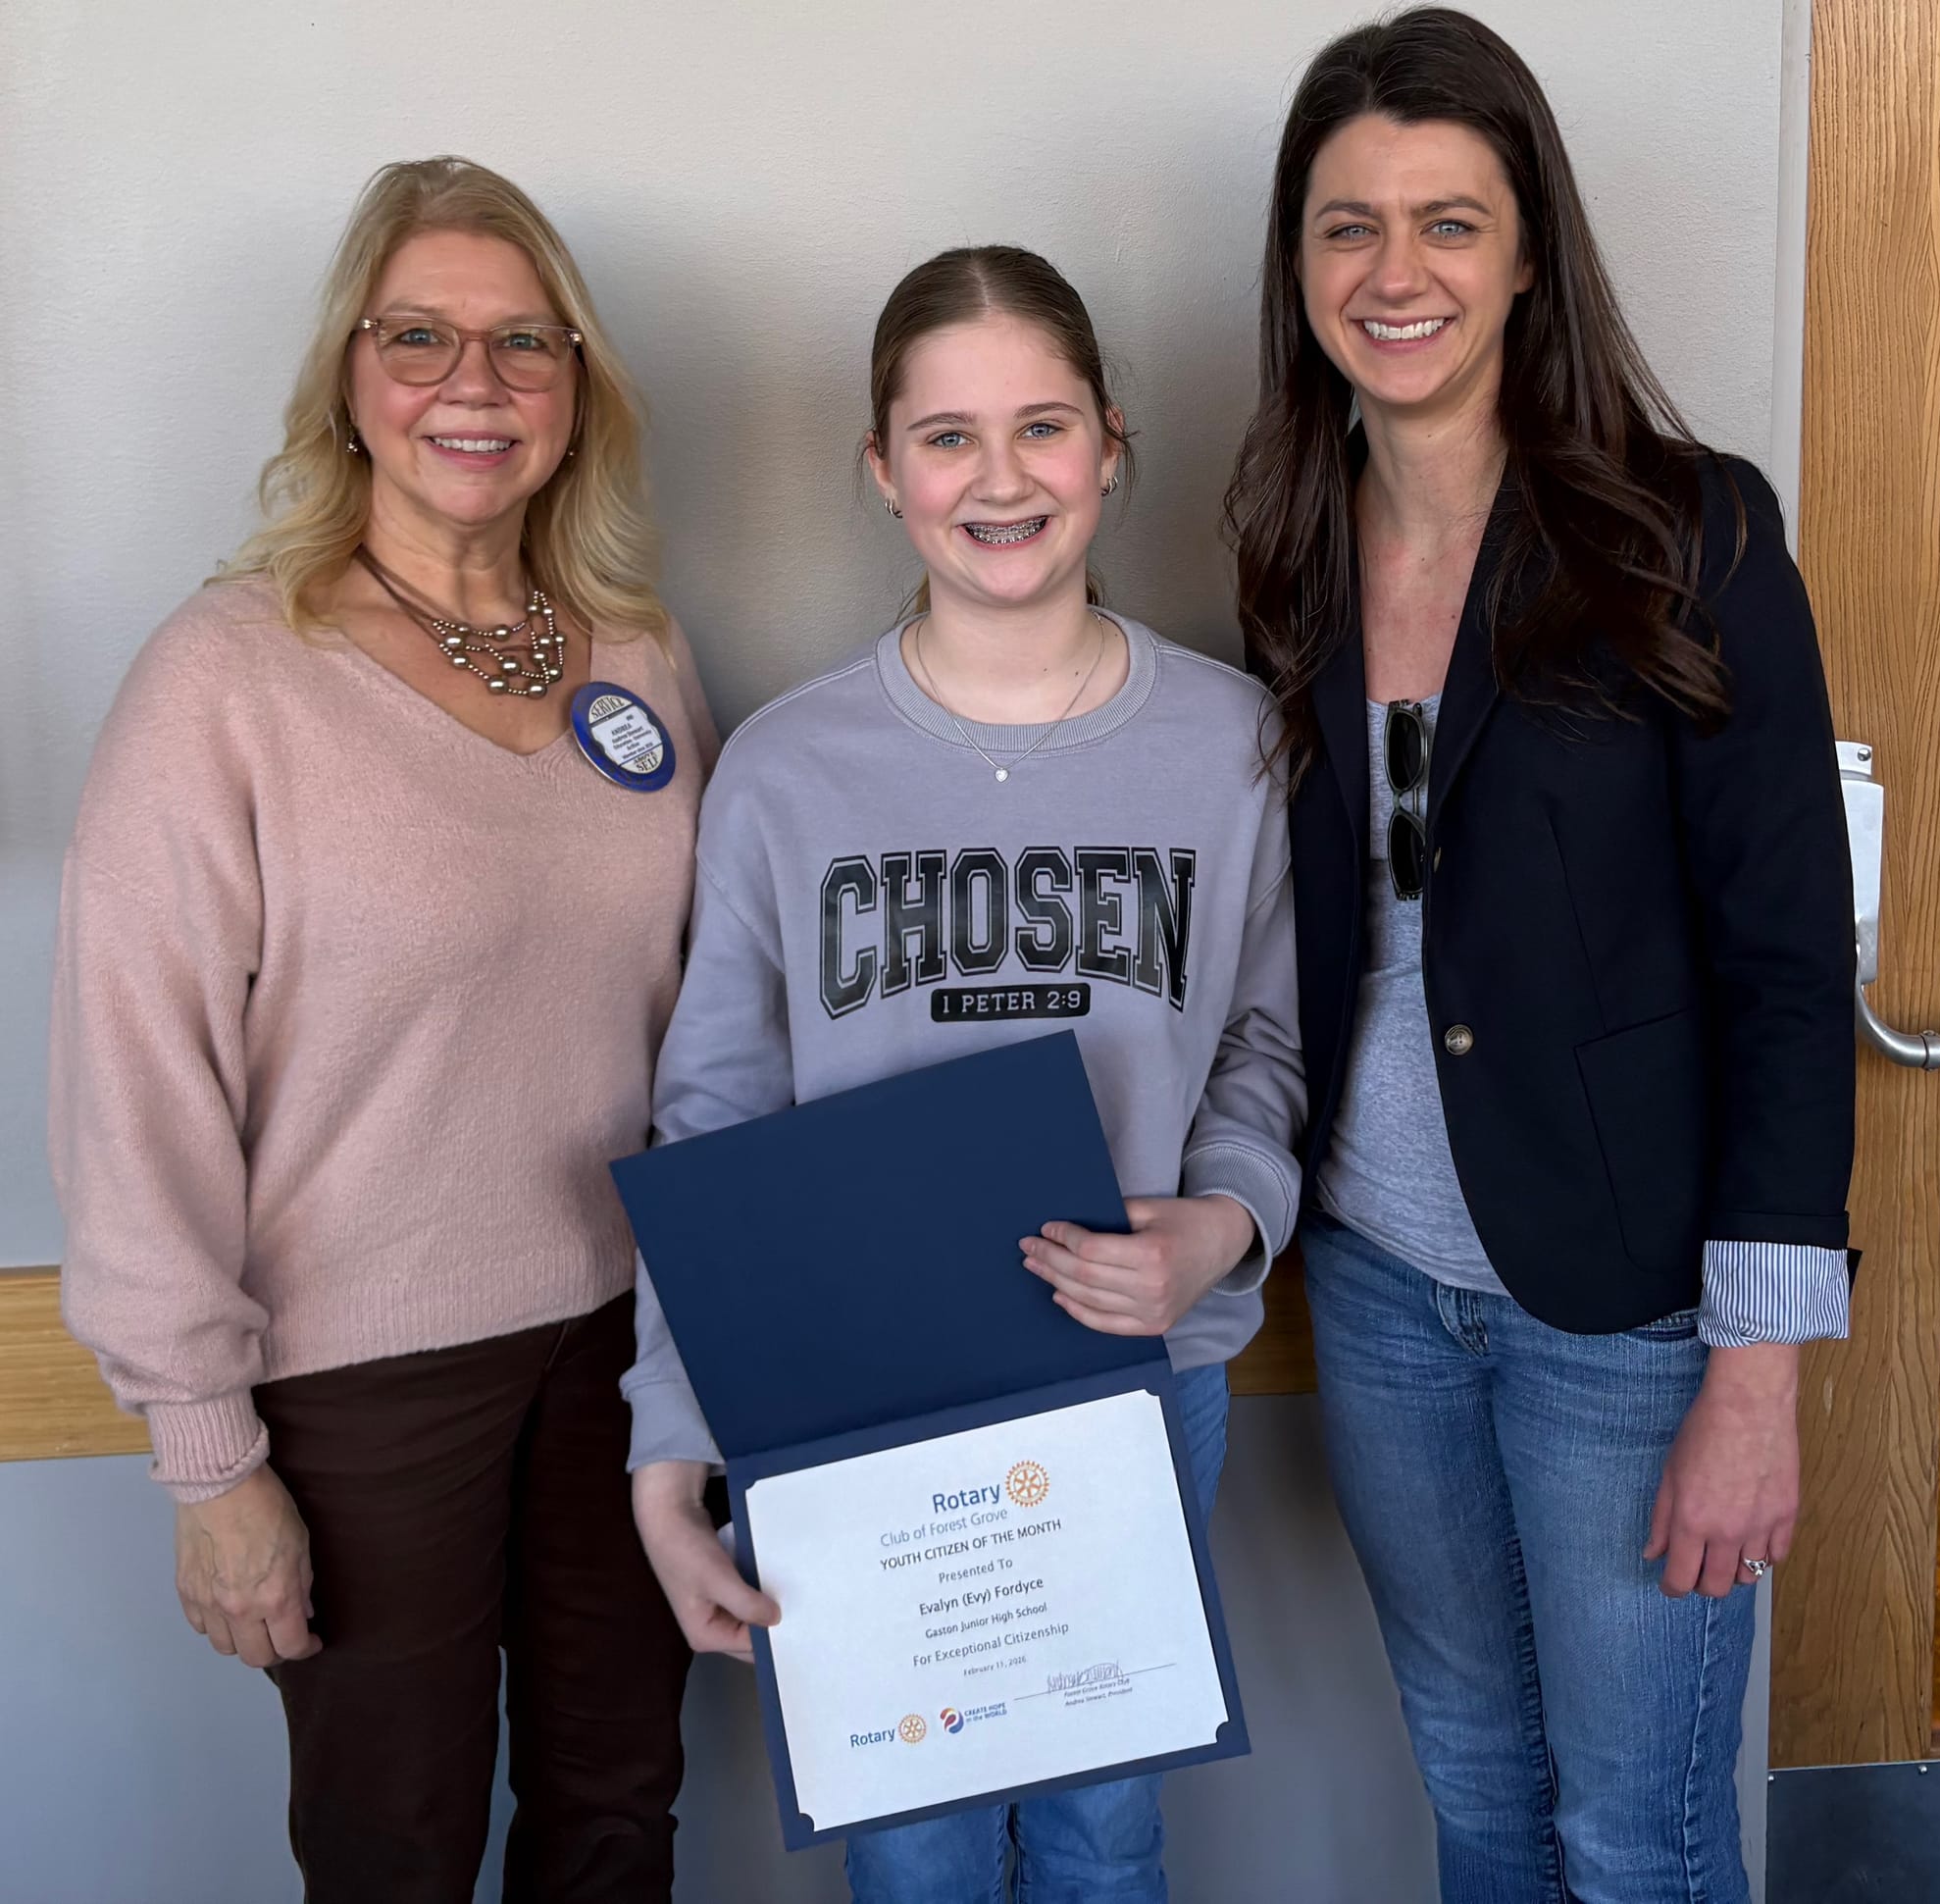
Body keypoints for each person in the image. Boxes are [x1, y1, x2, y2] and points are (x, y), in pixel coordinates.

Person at [1225, 12, 1855, 1900]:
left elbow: (1787, 969)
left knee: (1635, 1837)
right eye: (1348, 227)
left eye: (1447, 221)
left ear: (1525, 253)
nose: (1394, 273)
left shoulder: (1692, 532)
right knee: (1484, 1800)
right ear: (1301, 264)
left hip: (1630, 1319)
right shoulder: (1291, 542)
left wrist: (1760, 1373)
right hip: (1382, 1286)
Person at [49, 157, 712, 1903]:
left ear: (580, 390)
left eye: (521, 342)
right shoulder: (228, 676)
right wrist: (209, 1456)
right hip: (361, 1384)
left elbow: (709, 1011)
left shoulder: (635, 656)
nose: (470, 384)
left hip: (630, 1355)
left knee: (618, 1818)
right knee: (392, 1855)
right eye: (417, 336)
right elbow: (137, 1081)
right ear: (348, 377)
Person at [624, 244, 1304, 1903]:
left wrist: (1221, 1229)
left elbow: (1270, 1043)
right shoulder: (787, 768)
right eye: (946, 437)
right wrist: (669, 1442)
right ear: (882, 469)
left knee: (1102, 1832)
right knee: (914, 1848)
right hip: (856, 1399)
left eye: (1043, 426)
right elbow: (711, 1116)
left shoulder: (1233, 744)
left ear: (1112, 444)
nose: (999, 480)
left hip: (1137, 1377)